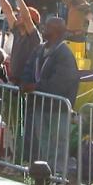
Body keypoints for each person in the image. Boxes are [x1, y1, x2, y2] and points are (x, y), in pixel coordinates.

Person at [19, 17, 79, 176]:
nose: (44, 29)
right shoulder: (39, 50)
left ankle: (58, 176)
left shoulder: (64, 54)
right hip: (40, 105)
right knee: (44, 143)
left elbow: (60, 83)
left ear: (57, 32)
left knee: (58, 144)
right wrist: (25, 83)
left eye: (48, 27)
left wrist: (35, 87)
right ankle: (45, 175)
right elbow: (29, 68)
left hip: (57, 108)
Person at [0, 0, 41, 84]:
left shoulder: (34, 37)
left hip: (26, 83)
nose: (18, 16)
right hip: (14, 80)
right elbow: (7, 10)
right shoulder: (17, 31)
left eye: (20, 15)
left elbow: (26, 17)